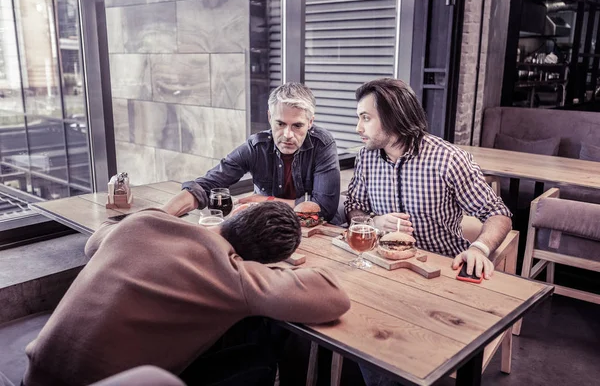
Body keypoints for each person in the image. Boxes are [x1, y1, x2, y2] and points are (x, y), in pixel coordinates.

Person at [23, 202, 351, 386]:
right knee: (258, 355)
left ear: (237, 214)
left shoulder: (142, 223)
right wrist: (277, 269)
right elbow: (335, 296)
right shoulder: (233, 275)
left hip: (34, 376)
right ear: (260, 261)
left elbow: (94, 243)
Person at [344, 78, 512, 385]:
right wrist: (372, 221)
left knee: (388, 352)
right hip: (383, 272)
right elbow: (354, 205)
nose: (358, 127)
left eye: (365, 118)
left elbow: (498, 214)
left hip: (440, 274)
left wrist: (479, 248)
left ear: (394, 117)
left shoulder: (448, 159)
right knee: (354, 334)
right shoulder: (366, 156)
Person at [162, 82, 341, 223]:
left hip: (314, 231)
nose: (287, 135)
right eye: (280, 124)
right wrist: (158, 217)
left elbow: (324, 208)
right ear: (270, 117)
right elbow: (205, 185)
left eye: (297, 125)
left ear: (310, 122)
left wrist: (265, 201)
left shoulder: (323, 144)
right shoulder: (257, 146)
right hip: (267, 227)